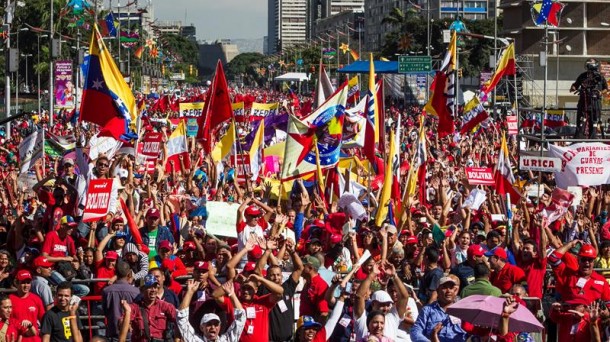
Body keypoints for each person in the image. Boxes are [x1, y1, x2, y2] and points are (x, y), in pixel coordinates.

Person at [354, 261, 411, 341]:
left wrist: (394, 276)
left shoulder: (392, 318)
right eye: (382, 305)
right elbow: (359, 296)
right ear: (373, 304)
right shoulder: (363, 319)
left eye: (388, 305)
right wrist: (372, 274)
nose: (386, 308)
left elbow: (404, 297)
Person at [177, 279, 246, 342]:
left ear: (219, 327)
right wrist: (190, 292)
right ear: (202, 327)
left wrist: (232, 294)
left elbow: (241, 318)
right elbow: (181, 317)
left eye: (216, 324)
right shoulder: (194, 340)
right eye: (209, 324)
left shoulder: (227, 340)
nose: (213, 327)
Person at [410, 275, 468, 342]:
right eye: (444, 287)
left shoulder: (463, 311)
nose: (448, 291)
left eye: (451, 288)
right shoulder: (427, 310)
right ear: (437, 290)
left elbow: (472, 333)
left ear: (455, 291)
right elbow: (415, 332)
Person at [123, 274, 177, 342]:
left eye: (155, 287)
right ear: (142, 290)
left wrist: (177, 339)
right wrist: (126, 323)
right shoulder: (134, 307)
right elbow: (121, 322)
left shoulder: (166, 306)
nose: (153, 290)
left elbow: (180, 321)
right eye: (150, 287)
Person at [101, 261, 139, 341]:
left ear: (115, 273)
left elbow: (105, 311)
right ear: (129, 274)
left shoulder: (106, 291)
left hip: (113, 332)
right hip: (131, 334)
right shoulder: (136, 291)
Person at [571, 58, 608, 138]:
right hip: (583, 103)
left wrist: (601, 92)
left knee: (594, 122)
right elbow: (575, 85)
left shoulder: (600, 77)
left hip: (595, 103)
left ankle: (592, 139)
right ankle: (578, 137)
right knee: (580, 121)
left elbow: (606, 88)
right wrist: (573, 87)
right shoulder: (582, 76)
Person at [9, 270, 45, 342]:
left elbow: (44, 321)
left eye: (28, 282)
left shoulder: (36, 299)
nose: (26, 285)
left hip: (34, 339)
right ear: (16, 283)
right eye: (23, 282)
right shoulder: (10, 299)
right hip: (16, 339)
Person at [300, 255, 329, 322]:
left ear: (310, 268)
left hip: (312, 327)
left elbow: (324, 313)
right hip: (304, 324)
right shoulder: (308, 283)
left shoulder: (321, 284)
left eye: (303, 266)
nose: (300, 268)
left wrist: (317, 329)